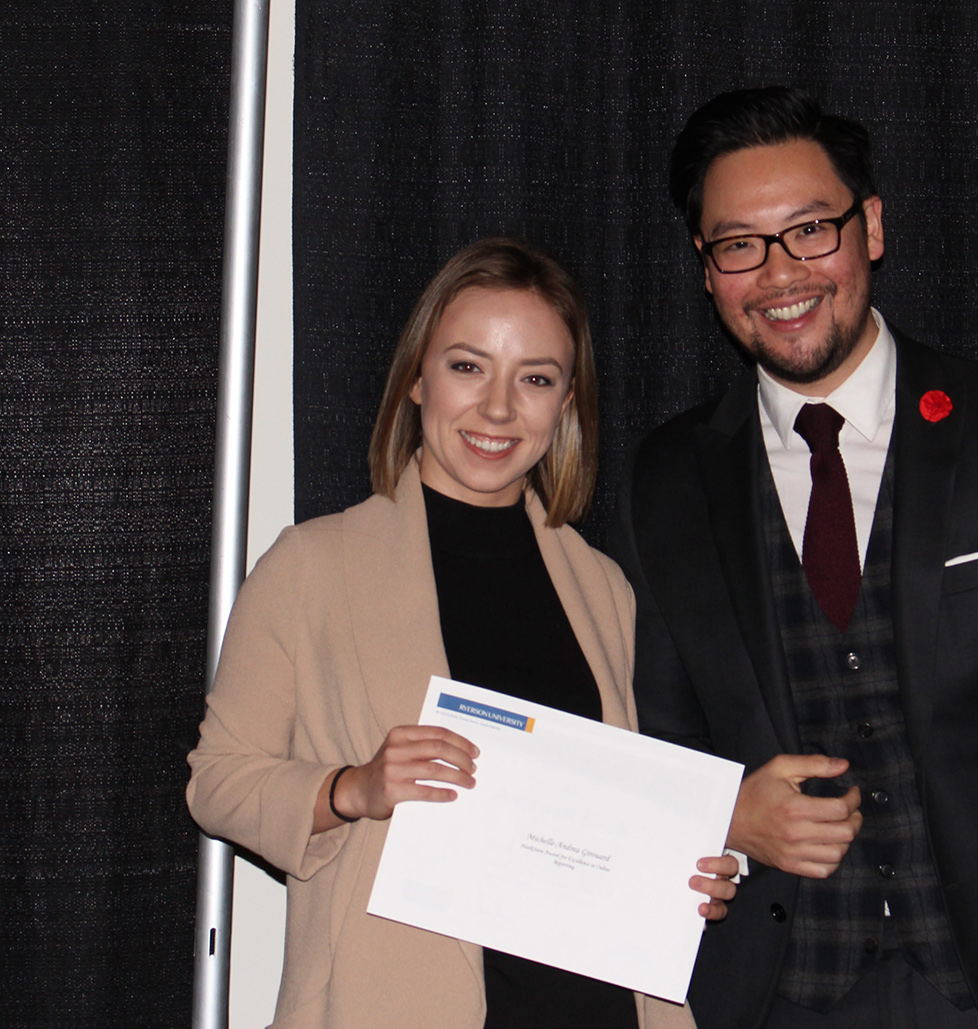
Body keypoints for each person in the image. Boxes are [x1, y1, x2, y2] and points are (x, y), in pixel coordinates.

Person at [611, 88, 978, 1029]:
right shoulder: (663, 480)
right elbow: (653, 749)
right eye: (740, 245)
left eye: (810, 229)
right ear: (706, 267)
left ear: (871, 227)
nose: (779, 273)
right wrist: (721, 814)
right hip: (774, 993)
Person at [188, 237, 735, 1029]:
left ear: (567, 402)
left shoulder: (604, 586)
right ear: (417, 378)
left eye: (536, 379)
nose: (499, 409)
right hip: (393, 1002)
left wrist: (678, 872)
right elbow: (218, 782)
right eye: (468, 367)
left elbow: (614, 805)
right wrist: (353, 788)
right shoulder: (312, 564)